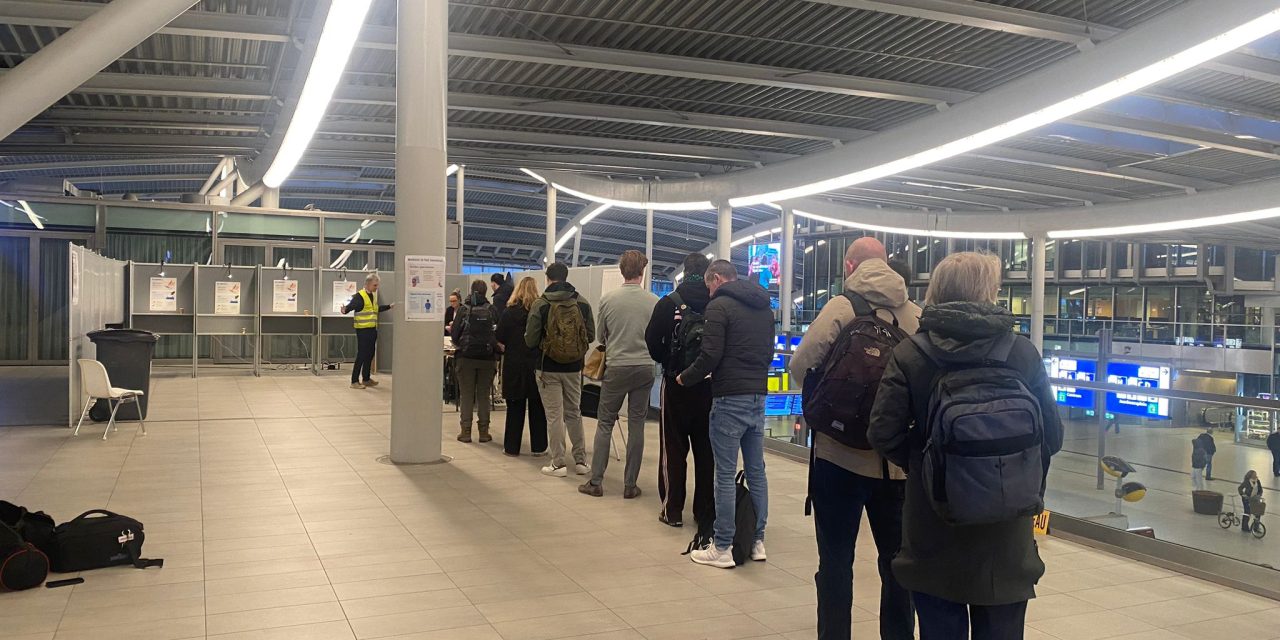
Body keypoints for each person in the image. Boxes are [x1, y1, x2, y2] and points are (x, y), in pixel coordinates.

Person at [868, 251, 1064, 639]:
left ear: (937, 292)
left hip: (934, 524)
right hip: (1006, 532)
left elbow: (882, 431)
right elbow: (1052, 436)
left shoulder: (912, 353)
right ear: (988, 293)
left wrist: (926, 464)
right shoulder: (1020, 352)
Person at [790, 238, 918, 640]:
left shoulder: (841, 307)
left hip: (837, 458)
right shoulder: (916, 315)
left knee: (835, 562)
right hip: (895, 466)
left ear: (850, 266)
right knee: (897, 565)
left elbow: (800, 364)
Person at [679, 260, 775, 569]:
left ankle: (722, 546)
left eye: (709, 286)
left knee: (723, 472)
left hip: (728, 398)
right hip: (758, 396)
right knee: (756, 470)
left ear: (717, 279)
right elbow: (769, 353)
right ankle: (757, 540)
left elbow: (710, 355)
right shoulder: (763, 305)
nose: (708, 292)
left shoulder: (719, 306)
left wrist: (686, 377)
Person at [580, 251, 659, 499]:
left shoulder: (608, 299)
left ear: (622, 270)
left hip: (617, 366)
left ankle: (596, 482)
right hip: (645, 367)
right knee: (637, 424)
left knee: (605, 422)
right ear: (642, 271)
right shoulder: (654, 301)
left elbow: (600, 336)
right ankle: (630, 485)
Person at [646, 253, 715, 530]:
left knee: (673, 448)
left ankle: (672, 510)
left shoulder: (669, 303)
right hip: (709, 386)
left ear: (685, 272)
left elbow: (651, 340)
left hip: (675, 385)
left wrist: (668, 360)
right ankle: (705, 512)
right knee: (706, 450)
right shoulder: (716, 304)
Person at [525, 262, 595, 478]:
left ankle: (558, 463)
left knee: (554, 415)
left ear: (548, 278)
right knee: (574, 412)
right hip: (574, 368)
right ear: (566, 276)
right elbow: (590, 336)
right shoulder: (581, 303)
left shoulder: (541, 304)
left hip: (547, 368)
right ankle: (581, 461)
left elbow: (530, 340)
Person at [497, 277, 547, 457]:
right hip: (535, 363)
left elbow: (499, 337)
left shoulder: (508, 313)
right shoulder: (540, 311)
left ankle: (511, 447)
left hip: (514, 363)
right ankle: (539, 447)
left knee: (515, 407)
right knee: (537, 407)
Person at [451, 280, 498, 443]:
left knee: (466, 395)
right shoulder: (492, 310)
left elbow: (455, 335)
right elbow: (497, 335)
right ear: (485, 292)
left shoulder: (464, 310)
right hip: (487, 359)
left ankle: (466, 432)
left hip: (466, 358)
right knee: (484, 395)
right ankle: (484, 432)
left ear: (471, 291)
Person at [342, 272, 393, 390]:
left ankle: (366, 379)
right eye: (375, 285)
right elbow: (349, 307)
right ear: (368, 284)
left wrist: (389, 306)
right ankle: (354, 381)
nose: (377, 287)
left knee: (370, 354)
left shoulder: (372, 296)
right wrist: (344, 310)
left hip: (371, 330)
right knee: (361, 355)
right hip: (363, 331)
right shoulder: (359, 296)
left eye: (377, 285)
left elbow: (375, 309)